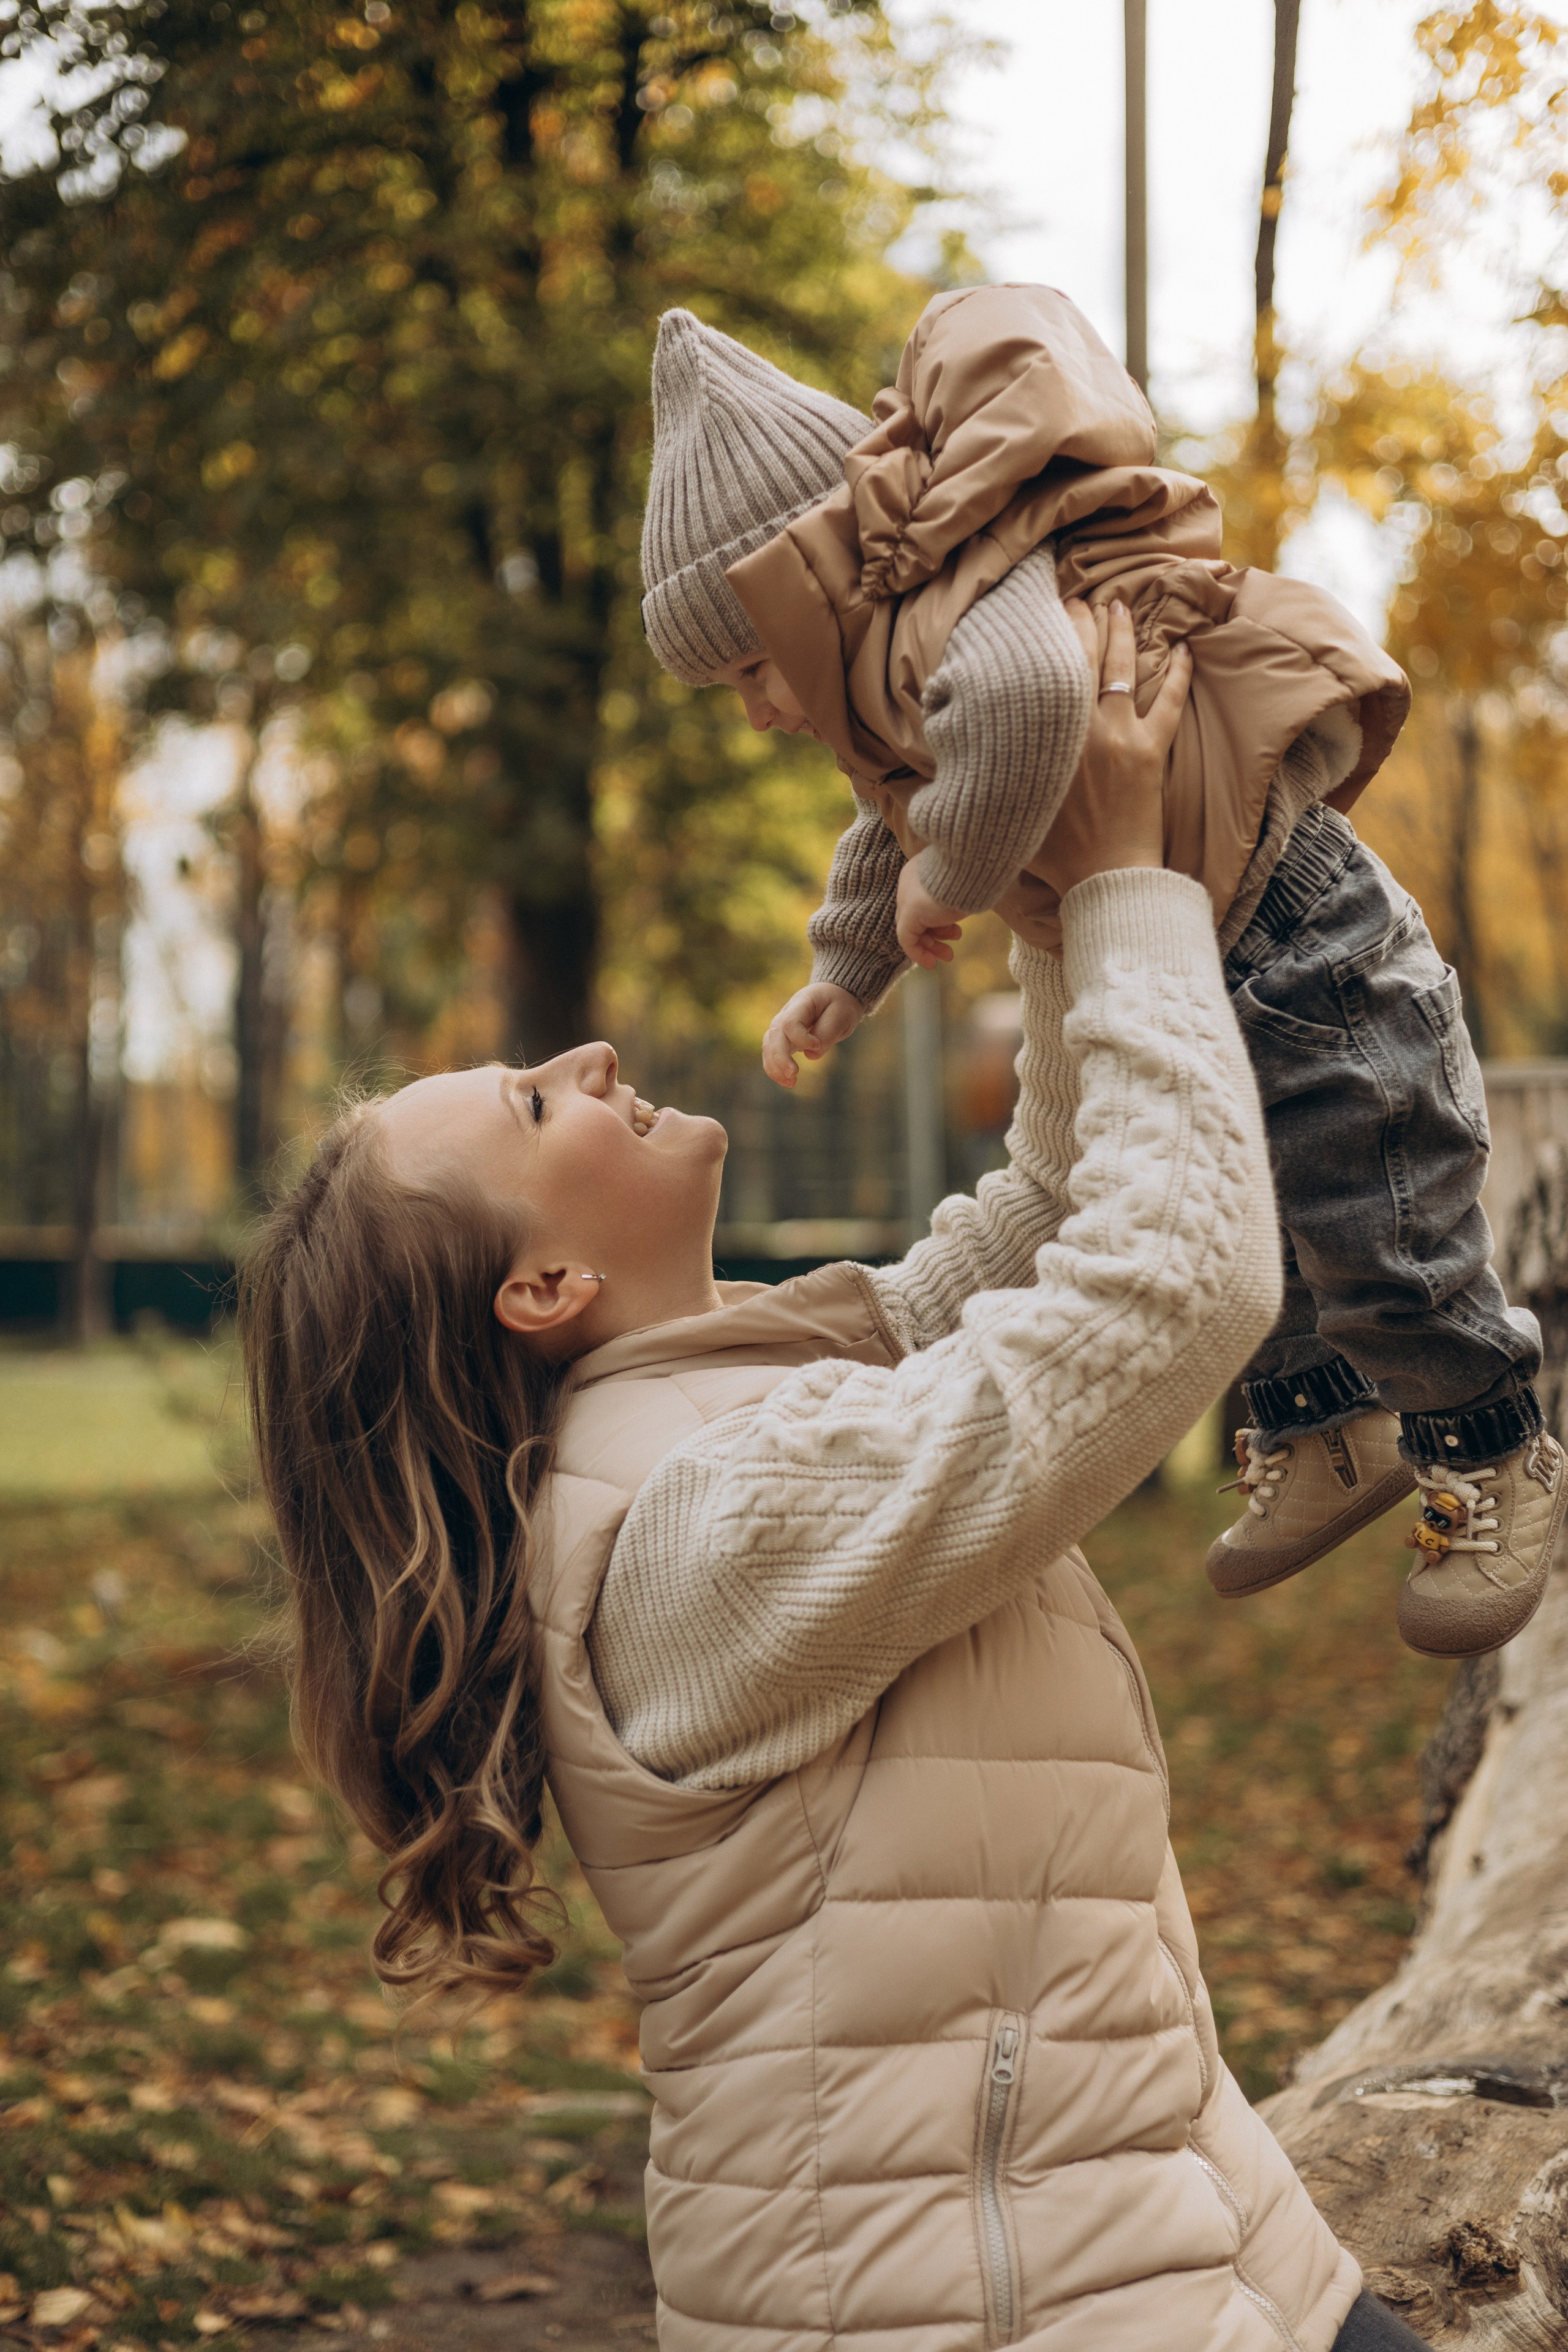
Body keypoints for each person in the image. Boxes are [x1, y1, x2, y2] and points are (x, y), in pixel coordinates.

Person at [241, 617, 1425, 2351]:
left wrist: (1041, 844)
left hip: (1184, 2226)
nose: (586, 1060)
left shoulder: (781, 1379)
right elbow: (1172, 1283)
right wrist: (1124, 897)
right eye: (528, 1101)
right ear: (545, 1290)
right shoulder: (704, 1537)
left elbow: (1053, 1206)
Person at [638, 287, 1565, 1665]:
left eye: (747, 669)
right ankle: (1326, 1428)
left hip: (1296, 932)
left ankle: (1491, 1445)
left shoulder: (964, 606)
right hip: (1203, 931)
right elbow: (891, 808)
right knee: (1231, 1190)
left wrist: (947, 882)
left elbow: (1022, 710)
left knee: (1367, 1219)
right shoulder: (892, 659)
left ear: (799, 582)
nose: (762, 710)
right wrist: (852, 960)